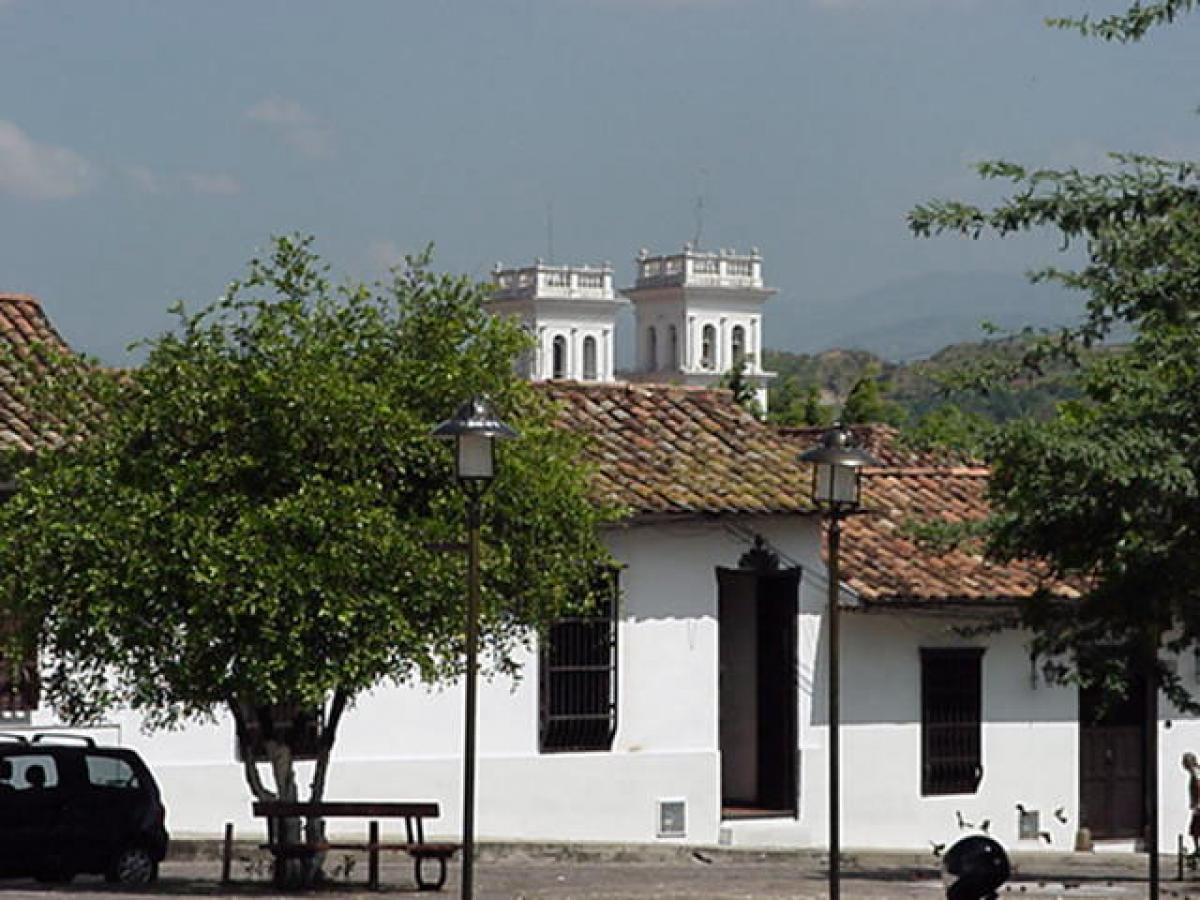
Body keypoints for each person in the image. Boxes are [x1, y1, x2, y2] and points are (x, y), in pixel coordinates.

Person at [1184, 752, 1200, 854]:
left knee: (1196, 828)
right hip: (1197, 805)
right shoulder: (1195, 771)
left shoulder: (1196, 772)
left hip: (1199, 806)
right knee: (1195, 829)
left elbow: (1198, 786)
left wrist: (1197, 803)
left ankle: (1197, 849)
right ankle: (1197, 848)